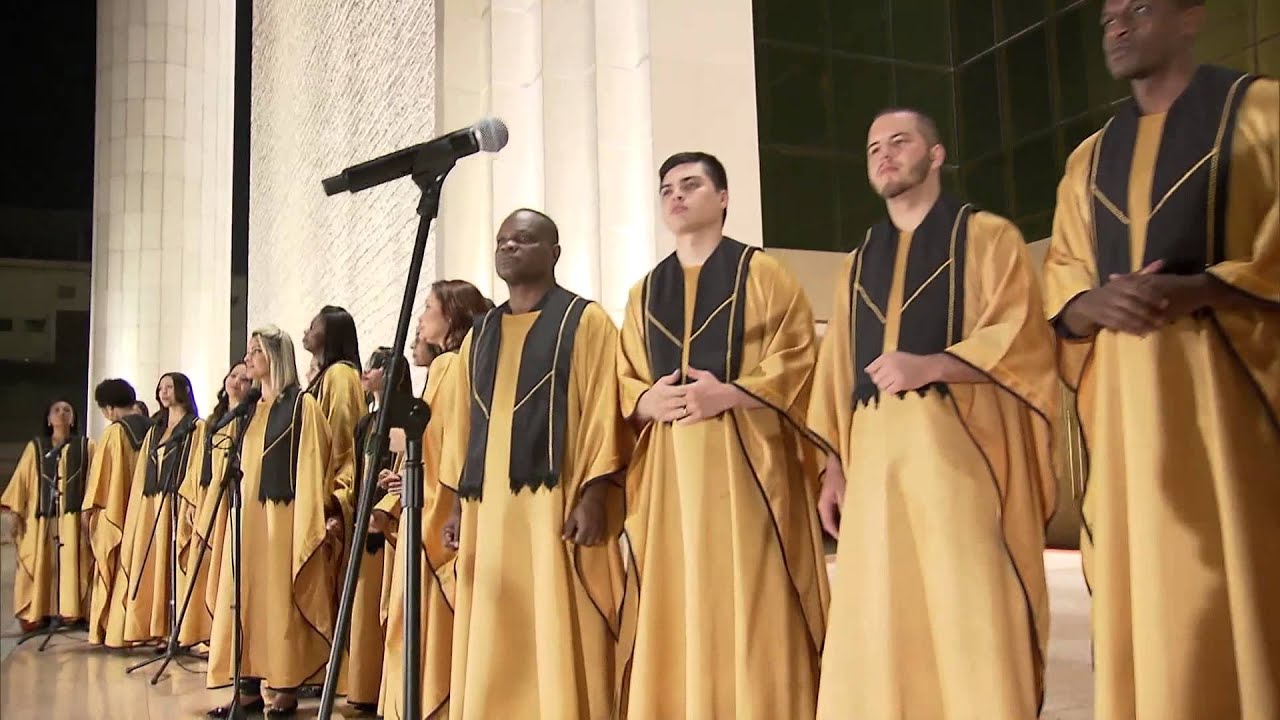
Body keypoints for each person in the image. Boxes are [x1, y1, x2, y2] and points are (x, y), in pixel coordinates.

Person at [1042, 1, 1280, 717]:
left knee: (1237, 593)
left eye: (1137, 9)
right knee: (1144, 602)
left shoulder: (1261, 112)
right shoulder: (1089, 157)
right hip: (1126, 437)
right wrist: (1090, 307)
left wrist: (1205, 286)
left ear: (1189, 16)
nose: (1115, 25)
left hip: (1233, 423)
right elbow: (1064, 276)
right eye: (1107, 16)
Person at [808, 109, 1060, 719]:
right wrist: (830, 468)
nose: (884, 154)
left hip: (961, 463)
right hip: (874, 475)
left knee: (968, 610)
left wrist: (935, 364)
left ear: (936, 154)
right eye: (873, 147)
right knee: (881, 615)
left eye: (900, 141)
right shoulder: (854, 262)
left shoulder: (988, 236)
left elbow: (1023, 338)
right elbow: (836, 371)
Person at [616, 152, 829, 718]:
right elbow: (622, 377)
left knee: (753, 597)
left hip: (750, 471)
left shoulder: (765, 275)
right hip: (670, 482)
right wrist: (644, 400)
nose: (676, 196)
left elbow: (801, 357)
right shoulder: (643, 292)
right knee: (678, 596)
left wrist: (731, 393)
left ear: (724, 198)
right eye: (666, 189)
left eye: (691, 185)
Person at [437, 209, 628, 719]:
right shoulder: (480, 334)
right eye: (502, 240)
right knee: (494, 627)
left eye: (523, 239)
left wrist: (594, 493)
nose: (509, 247)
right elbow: (464, 427)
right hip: (487, 512)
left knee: (555, 626)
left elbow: (603, 410)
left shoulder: (585, 321)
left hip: (553, 509)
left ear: (554, 253)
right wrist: (457, 504)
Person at [372, 279, 492, 720]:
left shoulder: (451, 367)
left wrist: (423, 483)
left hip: (433, 514)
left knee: (418, 621)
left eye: (428, 308)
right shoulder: (457, 366)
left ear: (453, 316)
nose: (420, 319)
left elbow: (453, 443)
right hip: (427, 503)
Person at [206, 326, 335, 717]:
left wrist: (310, 519)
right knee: (243, 597)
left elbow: (314, 459)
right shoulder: (247, 411)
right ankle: (245, 684)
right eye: (248, 351)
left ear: (277, 356)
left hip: (282, 518)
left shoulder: (301, 406)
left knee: (279, 598)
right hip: (247, 517)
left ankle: (284, 685)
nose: (249, 357)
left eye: (256, 350)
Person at [113, 373, 204, 647]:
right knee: (152, 563)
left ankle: (178, 629)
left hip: (176, 501)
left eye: (170, 386)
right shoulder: (154, 429)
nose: (164, 392)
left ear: (183, 390)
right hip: (153, 504)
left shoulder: (197, 427)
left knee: (173, 564)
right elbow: (142, 471)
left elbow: (197, 467)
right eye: (161, 387)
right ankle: (156, 626)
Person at [1, 399, 94, 633]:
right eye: (56, 410)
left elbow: (96, 481)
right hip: (41, 519)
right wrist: (13, 512)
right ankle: (40, 612)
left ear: (73, 419)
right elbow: (21, 481)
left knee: (74, 563)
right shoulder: (37, 447)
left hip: (72, 521)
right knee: (40, 561)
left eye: (67, 411)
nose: (62, 414)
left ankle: (72, 612)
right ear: (48, 419)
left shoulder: (86, 447)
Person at [178, 362, 252, 648]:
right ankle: (200, 631)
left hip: (229, 500)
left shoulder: (248, 419)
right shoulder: (212, 421)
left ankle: (221, 637)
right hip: (208, 498)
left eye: (244, 379)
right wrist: (192, 501)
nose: (236, 381)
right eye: (233, 375)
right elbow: (198, 465)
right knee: (202, 561)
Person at [301, 305, 368, 586]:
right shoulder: (325, 377)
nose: (307, 331)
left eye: (314, 326)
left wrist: (335, 501)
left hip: (328, 499)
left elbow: (342, 439)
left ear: (330, 335)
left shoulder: (339, 375)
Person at [81, 379, 150, 645]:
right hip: (148, 514)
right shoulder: (156, 429)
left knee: (117, 570)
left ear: (109, 408)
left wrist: (89, 517)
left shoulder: (113, 433)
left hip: (118, 514)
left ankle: (117, 632)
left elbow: (100, 484)